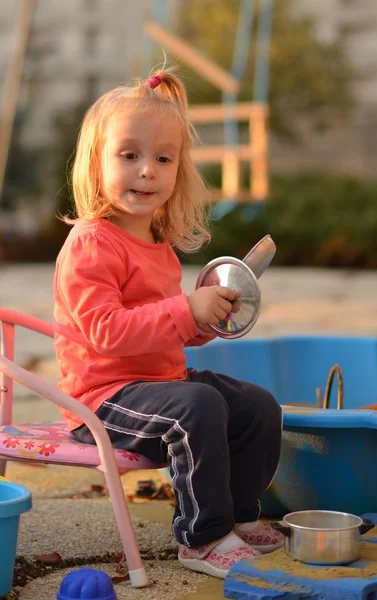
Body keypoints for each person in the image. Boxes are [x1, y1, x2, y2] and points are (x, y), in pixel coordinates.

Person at [53, 66, 283, 579]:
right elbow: (107, 331)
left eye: (163, 158)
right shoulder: (92, 243)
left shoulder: (157, 242)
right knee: (197, 406)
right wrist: (185, 311)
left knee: (255, 406)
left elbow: (164, 326)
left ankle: (238, 517)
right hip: (103, 396)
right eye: (129, 155)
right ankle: (200, 538)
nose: (148, 171)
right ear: (97, 162)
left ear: (179, 168)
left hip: (159, 385)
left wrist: (207, 317)